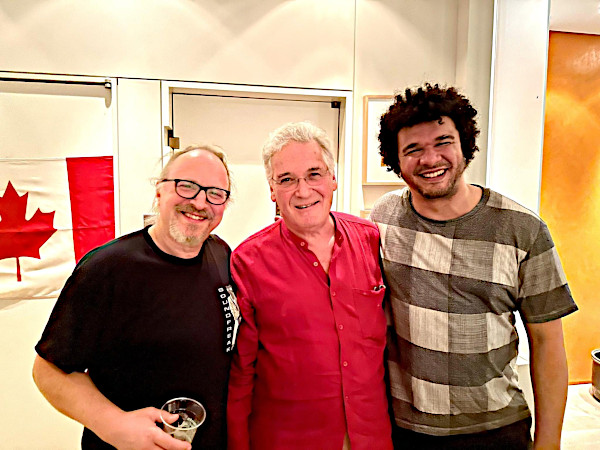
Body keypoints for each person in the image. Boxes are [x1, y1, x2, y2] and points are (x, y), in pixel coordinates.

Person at [370, 83, 578, 450]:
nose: (430, 159)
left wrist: (549, 443)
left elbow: (547, 344)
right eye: (413, 149)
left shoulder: (523, 229)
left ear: (465, 145)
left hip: (495, 430)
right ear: (395, 161)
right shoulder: (384, 217)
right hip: (403, 429)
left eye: (443, 142)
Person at [33, 145, 239, 450]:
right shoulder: (108, 268)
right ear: (159, 191)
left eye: (215, 193)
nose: (200, 202)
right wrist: (114, 425)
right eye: (187, 186)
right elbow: (48, 371)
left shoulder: (220, 254)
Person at [227, 121, 393, 450]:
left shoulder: (370, 240)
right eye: (287, 180)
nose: (303, 191)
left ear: (333, 179)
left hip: (371, 436)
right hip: (287, 440)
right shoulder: (247, 262)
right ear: (272, 190)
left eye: (314, 174)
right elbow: (241, 372)